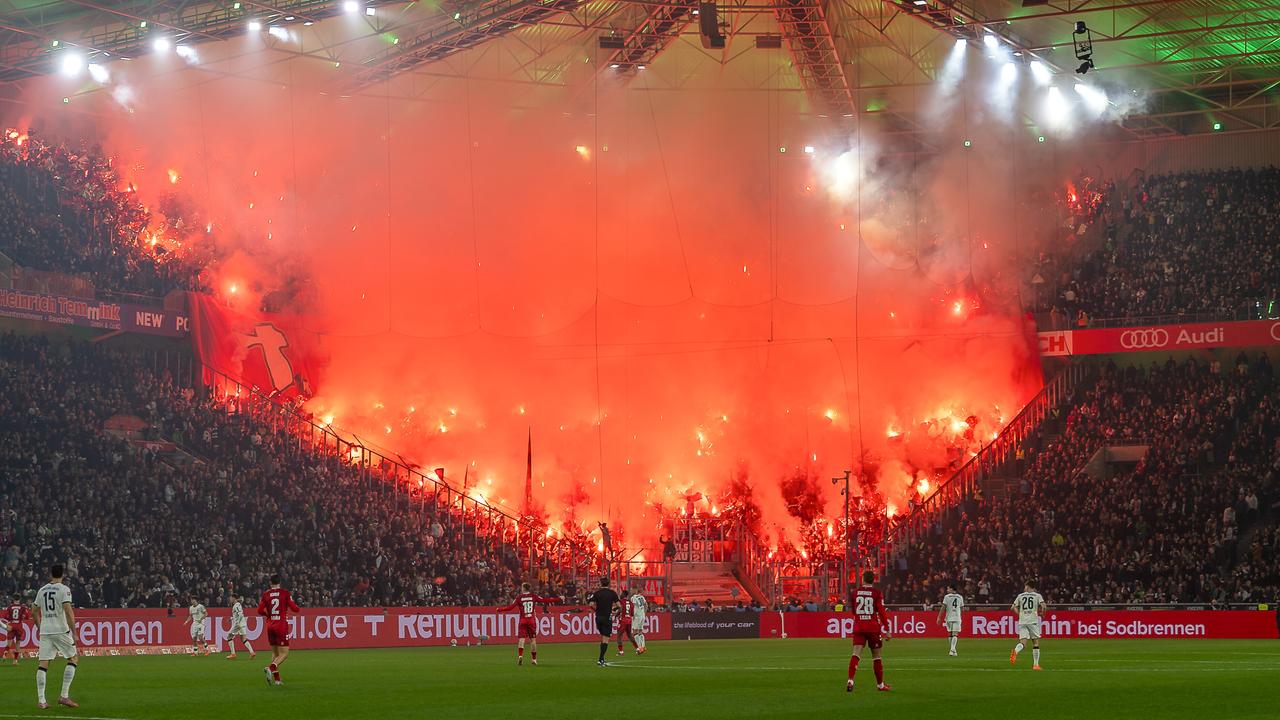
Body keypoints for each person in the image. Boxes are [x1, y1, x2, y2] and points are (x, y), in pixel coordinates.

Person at [32, 564, 79, 709]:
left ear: (50, 574)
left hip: (46, 631)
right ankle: (64, 696)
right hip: (60, 630)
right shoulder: (64, 589)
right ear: (63, 575)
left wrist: (40, 626)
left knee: (43, 664)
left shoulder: (42, 590)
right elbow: (68, 611)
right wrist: (74, 631)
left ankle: (42, 701)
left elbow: (33, 611)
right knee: (73, 658)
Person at [846, 570, 891, 693]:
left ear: (863, 579)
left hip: (859, 627)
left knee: (856, 654)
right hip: (872, 628)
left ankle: (850, 680)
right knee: (876, 656)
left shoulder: (855, 592)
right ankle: (880, 685)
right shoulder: (876, 593)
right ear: (873, 580)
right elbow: (881, 611)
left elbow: (854, 611)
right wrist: (887, 629)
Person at [496, 582, 561, 666]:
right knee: (533, 640)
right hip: (531, 620)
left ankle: (520, 656)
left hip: (523, 620)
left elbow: (510, 607)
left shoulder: (519, 598)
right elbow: (545, 600)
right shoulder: (533, 596)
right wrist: (558, 599)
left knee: (521, 639)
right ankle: (534, 660)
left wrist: (500, 610)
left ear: (523, 588)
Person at [258, 575, 300, 686]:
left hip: (270, 625)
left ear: (270, 583)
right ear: (280, 582)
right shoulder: (285, 593)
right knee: (284, 654)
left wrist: (268, 615)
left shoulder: (266, 594)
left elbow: (259, 610)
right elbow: (295, 609)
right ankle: (270, 668)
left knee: (275, 654)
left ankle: (277, 680)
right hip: (281, 626)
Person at [1010, 580, 1046, 670]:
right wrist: (1042, 613)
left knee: (1023, 643)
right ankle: (1036, 665)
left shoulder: (1020, 596)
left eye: (1025, 586)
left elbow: (1012, 607)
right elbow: (1044, 606)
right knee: (1035, 643)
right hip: (1032, 621)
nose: (1024, 588)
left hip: (1022, 621)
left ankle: (1015, 651)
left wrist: (1019, 614)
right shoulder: (1037, 596)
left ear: (1028, 586)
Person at [587, 577, 619, 667]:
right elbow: (619, 606)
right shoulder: (612, 593)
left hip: (598, 618)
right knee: (606, 639)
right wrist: (613, 610)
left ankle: (601, 659)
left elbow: (591, 604)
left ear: (601, 584)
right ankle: (601, 659)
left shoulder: (596, 593)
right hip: (607, 618)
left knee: (603, 637)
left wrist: (596, 610)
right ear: (608, 584)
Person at [226, 592, 256, 660]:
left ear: (234, 598)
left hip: (238, 624)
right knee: (244, 639)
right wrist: (231, 618)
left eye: (231, 598)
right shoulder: (238, 605)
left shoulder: (236, 605)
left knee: (229, 637)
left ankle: (233, 654)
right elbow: (238, 615)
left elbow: (240, 614)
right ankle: (252, 652)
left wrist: (238, 623)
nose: (230, 599)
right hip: (243, 623)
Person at [937, 584, 965, 656]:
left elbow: (943, 607)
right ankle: (953, 650)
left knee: (950, 634)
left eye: (948, 589)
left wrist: (939, 617)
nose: (947, 590)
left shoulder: (947, 597)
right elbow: (962, 609)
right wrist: (960, 616)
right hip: (957, 617)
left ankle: (952, 650)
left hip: (949, 617)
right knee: (955, 634)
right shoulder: (960, 597)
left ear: (952, 589)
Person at [5, 593, 32, 665]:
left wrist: (8, 623)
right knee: (18, 643)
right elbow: (27, 617)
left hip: (12, 625)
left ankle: (5, 654)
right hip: (19, 626)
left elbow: (6, 617)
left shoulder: (10, 607)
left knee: (9, 642)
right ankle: (15, 661)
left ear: (13, 599)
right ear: (20, 599)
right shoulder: (23, 607)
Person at [629, 587, 648, 654]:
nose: (631, 591)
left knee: (634, 632)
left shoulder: (633, 597)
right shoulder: (642, 597)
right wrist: (644, 613)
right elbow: (646, 605)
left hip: (636, 616)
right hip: (642, 615)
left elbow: (633, 606)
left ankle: (639, 648)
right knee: (640, 631)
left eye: (631, 590)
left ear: (635, 590)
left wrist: (632, 615)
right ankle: (643, 646)